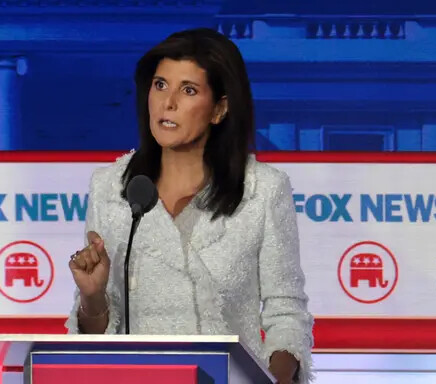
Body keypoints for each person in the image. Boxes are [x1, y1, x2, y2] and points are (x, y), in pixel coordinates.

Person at [65, 28, 314, 384]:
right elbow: (99, 332)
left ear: (220, 109)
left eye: (189, 90)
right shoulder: (111, 187)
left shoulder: (263, 189)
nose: (167, 103)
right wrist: (92, 296)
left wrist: (273, 379)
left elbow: (286, 312)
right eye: (160, 85)